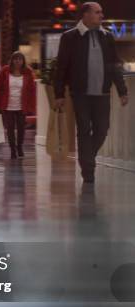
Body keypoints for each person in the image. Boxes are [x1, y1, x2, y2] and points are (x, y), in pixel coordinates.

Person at [55, 1, 128, 184]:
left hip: (102, 94)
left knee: (102, 130)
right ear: (85, 15)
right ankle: (88, 171)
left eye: (101, 12)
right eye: (97, 12)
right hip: (80, 94)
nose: (101, 15)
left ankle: (86, 158)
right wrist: (59, 94)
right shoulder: (70, 37)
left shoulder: (107, 37)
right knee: (84, 130)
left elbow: (114, 65)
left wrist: (122, 90)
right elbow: (61, 67)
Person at [0, 52, 36, 159]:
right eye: (15, 59)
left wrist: (32, 106)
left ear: (23, 61)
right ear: (11, 60)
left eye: (20, 59)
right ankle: (12, 149)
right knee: (10, 128)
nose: (17, 61)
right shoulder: (5, 71)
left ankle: (19, 147)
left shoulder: (28, 71)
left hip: (22, 105)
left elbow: (32, 90)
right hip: (7, 105)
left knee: (21, 128)